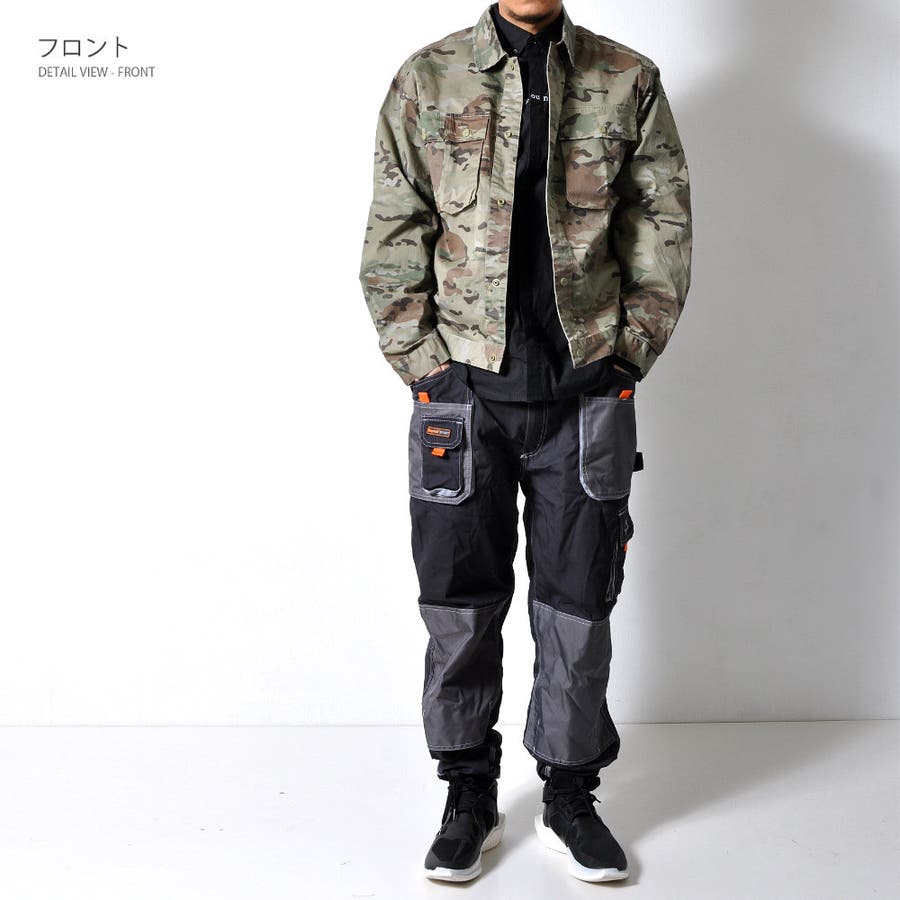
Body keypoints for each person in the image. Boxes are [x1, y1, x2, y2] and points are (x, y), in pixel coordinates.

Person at [358, 0, 692, 884]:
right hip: (462, 397)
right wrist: (426, 369)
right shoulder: (427, 78)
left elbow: (661, 227)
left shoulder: (628, 78)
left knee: (578, 606)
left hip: (586, 395)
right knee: (458, 604)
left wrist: (628, 358)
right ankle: (468, 793)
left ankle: (570, 796)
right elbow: (394, 229)